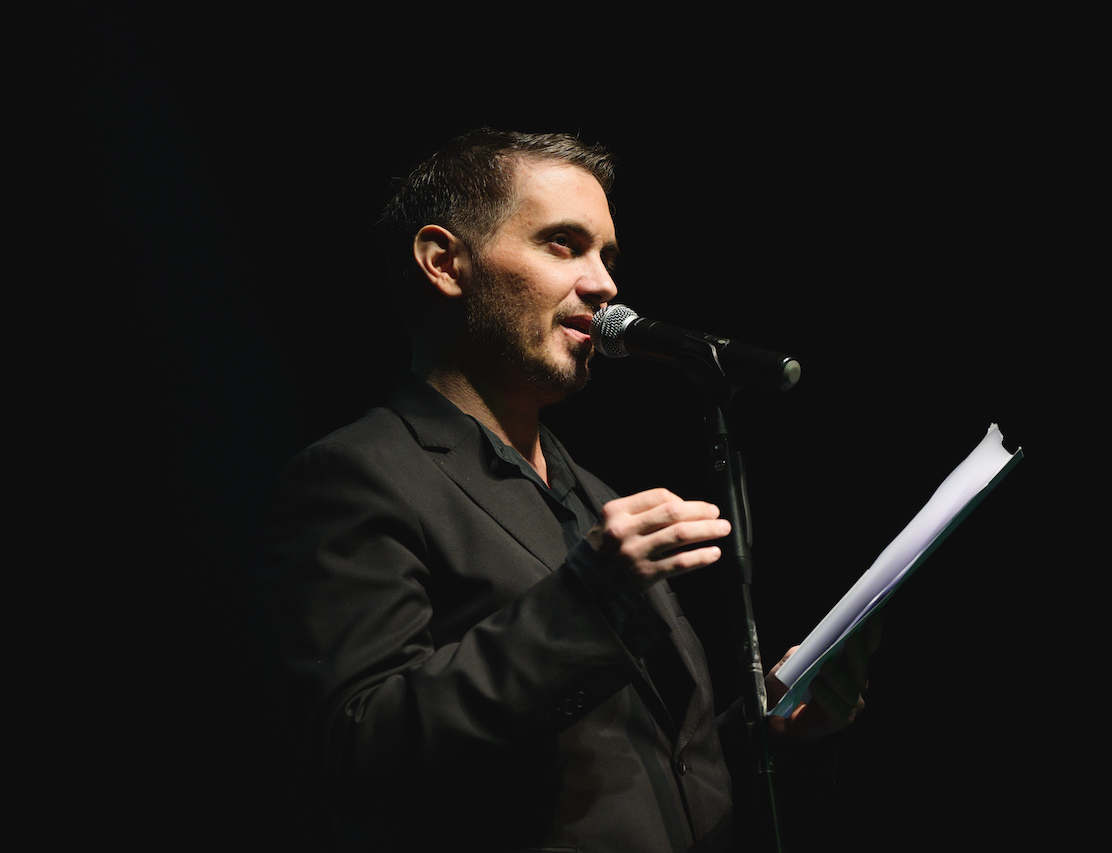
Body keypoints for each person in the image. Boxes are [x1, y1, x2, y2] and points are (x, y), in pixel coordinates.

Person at [257, 128, 875, 852]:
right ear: (444, 262)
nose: (604, 284)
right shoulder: (357, 477)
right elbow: (357, 747)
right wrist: (590, 600)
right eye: (564, 245)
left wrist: (773, 734)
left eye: (607, 256)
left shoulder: (593, 494)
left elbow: (650, 772)